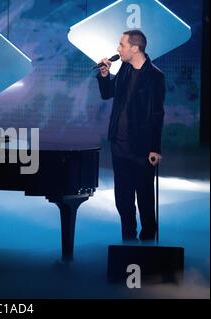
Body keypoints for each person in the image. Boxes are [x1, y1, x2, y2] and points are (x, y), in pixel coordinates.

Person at [96, 30, 165, 241]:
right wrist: (105, 76)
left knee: (144, 196)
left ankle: (148, 236)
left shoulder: (155, 76)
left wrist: (155, 148)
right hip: (119, 144)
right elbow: (108, 94)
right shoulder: (124, 69)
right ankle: (128, 235)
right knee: (122, 199)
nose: (118, 49)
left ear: (135, 48)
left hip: (141, 147)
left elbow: (157, 114)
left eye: (122, 44)